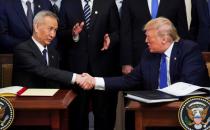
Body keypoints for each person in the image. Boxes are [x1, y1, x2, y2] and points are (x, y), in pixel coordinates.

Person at [79, 17, 210, 92]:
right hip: (155, 110)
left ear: (164, 39)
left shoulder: (189, 50)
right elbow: (128, 80)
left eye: (148, 37)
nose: (145, 41)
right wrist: (94, 81)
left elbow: (189, 85)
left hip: (186, 109)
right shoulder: (148, 54)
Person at [58, 0, 121, 130]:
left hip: (103, 68)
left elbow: (117, 32)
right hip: (76, 70)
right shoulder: (67, 3)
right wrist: (73, 34)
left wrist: (111, 39)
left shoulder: (108, 3)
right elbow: (60, 34)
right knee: (77, 115)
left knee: (104, 115)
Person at [12, 10, 90, 89]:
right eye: (50, 29)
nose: (53, 35)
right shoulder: (22, 50)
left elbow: (55, 79)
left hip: (50, 99)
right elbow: (42, 70)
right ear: (36, 27)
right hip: (26, 99)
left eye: (55, 30)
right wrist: (75, 77)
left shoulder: (53, 52)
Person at [120, 0, 189, 75]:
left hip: (170, 58)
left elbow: (182, 31)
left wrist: (183, 59)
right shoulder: (128, 1)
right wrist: (126, 62)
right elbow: (125, 32)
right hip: (138, 58)